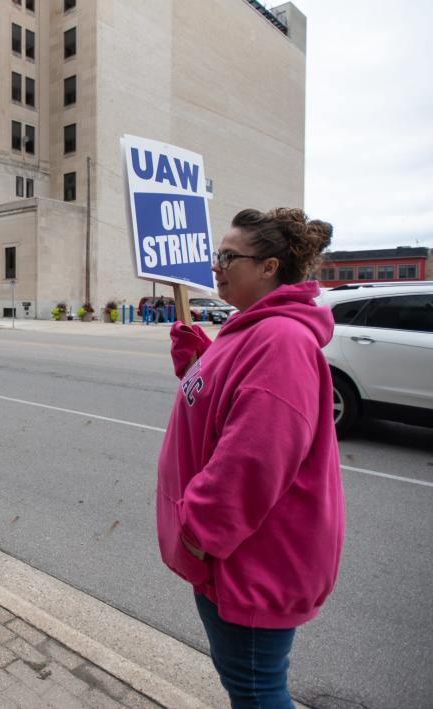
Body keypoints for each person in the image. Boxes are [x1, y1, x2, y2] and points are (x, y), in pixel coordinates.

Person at [157, 208, 344, 708]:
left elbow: (255, 457)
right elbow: (229, 404)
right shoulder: (248, 327)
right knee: (247, 684)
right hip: (233, 554)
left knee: (257, 691)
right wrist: (199, 359)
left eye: (228, 256)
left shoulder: (280, 339)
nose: (216, 266)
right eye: (217, 254)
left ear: (269, 268)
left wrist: (198, 531)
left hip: (250, 557)